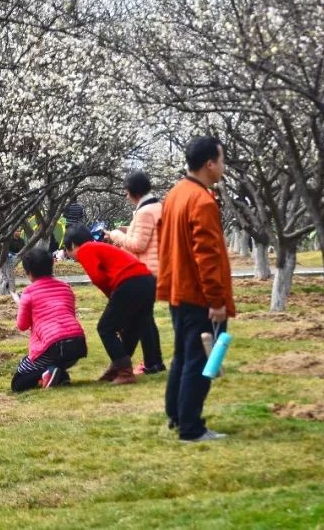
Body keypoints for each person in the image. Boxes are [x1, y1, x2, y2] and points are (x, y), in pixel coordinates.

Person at [156, 135, 235, 443]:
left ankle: (177, 416)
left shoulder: (175, 193)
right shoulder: (202, 200)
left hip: (179, 290)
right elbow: (208, 255)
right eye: (222, 160)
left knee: (182, 357)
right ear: (209, 164)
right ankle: (191, 427)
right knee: (199, 361)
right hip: (199, 295)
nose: (223, 167)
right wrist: (216, 300)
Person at [62, 224, 159, 385]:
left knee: (105, 328)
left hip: (129, 282)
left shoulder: (85, 249)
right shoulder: (99, 246)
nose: (70, 255)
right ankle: (117, 368)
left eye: (67, 250)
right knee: (131, 329)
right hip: (147, 281)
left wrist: (113, 299)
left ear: (72, 245)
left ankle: (125, 372)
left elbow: (98, 278)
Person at [105, 170, 165, 375]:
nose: (125, 196)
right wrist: (127, 230)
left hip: (147, 270)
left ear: (133, 192)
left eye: (126, 191)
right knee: (145, 318)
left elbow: (138, 245)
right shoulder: (158, 207)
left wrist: (115, 236)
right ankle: (154, 362)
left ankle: (152, 363)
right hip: (158, 267)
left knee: (143, 318)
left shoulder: (144, 212)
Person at [11, 247, 88, 391]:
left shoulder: (28, 293)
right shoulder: (65, 287)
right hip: (77, 344)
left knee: (18, 382)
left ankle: (51, 373)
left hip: (54, 346)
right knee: (50, 362)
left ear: (29, 273)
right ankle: (60, 375)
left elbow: (22, 325)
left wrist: (21, 304)